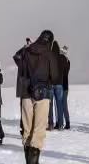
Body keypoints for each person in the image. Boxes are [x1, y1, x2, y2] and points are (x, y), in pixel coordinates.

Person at [16, 30, 60, 164]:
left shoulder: (26, 51)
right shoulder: (50, 54)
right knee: (38, 130)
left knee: (27, 129)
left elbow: (17, 59)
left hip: (25, 93)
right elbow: (55, 76)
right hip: (43, 94)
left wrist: (28, 46)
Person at [49, 42, 71, 130]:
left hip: (50, 84)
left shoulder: (49, 57)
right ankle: (61, 125)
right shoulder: (63, 58)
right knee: (60, 105)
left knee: (50, 105)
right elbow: (66, 72)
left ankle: (50, 124)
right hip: (60, 84)